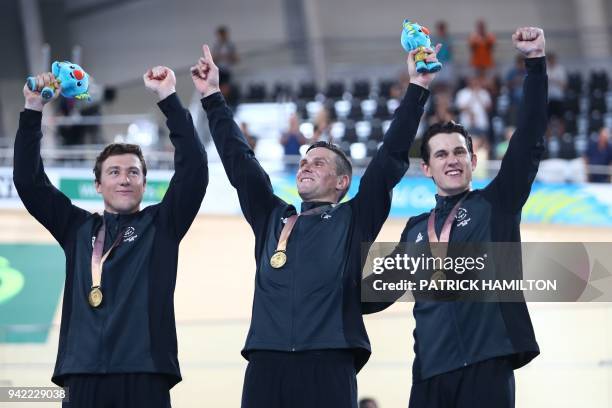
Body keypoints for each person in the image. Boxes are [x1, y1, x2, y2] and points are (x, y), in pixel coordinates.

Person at [190, 43, 440, 407]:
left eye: (319, 163)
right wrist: (212, 96)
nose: (306, 165)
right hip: (266, 361)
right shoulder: (273, 217)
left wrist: (417, 87)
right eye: (305, 161)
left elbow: (389, 158)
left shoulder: (354, 217)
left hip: (330, 361)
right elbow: (240, 163)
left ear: (342, 183)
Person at [364, 27, 548, 408]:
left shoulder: (497, 204)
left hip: (487, 369)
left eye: (459, 152)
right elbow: (373, 293)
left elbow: (528, 137)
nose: (452, 160)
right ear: (427, 169)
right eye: (442, 154)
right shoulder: (416, 230)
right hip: (429, 377)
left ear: (473, 161)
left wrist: (535, 65)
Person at [13, 66, 208, 407]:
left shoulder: (162, 224)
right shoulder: (76, 228)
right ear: (98, 185)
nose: (124, 179)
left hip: (145, 374)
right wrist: (32, 110)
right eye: (114, 172)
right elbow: (30, 183)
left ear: (145, 184)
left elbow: (194, 169)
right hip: (82, 374)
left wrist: (169, 99)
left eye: (134, 172)